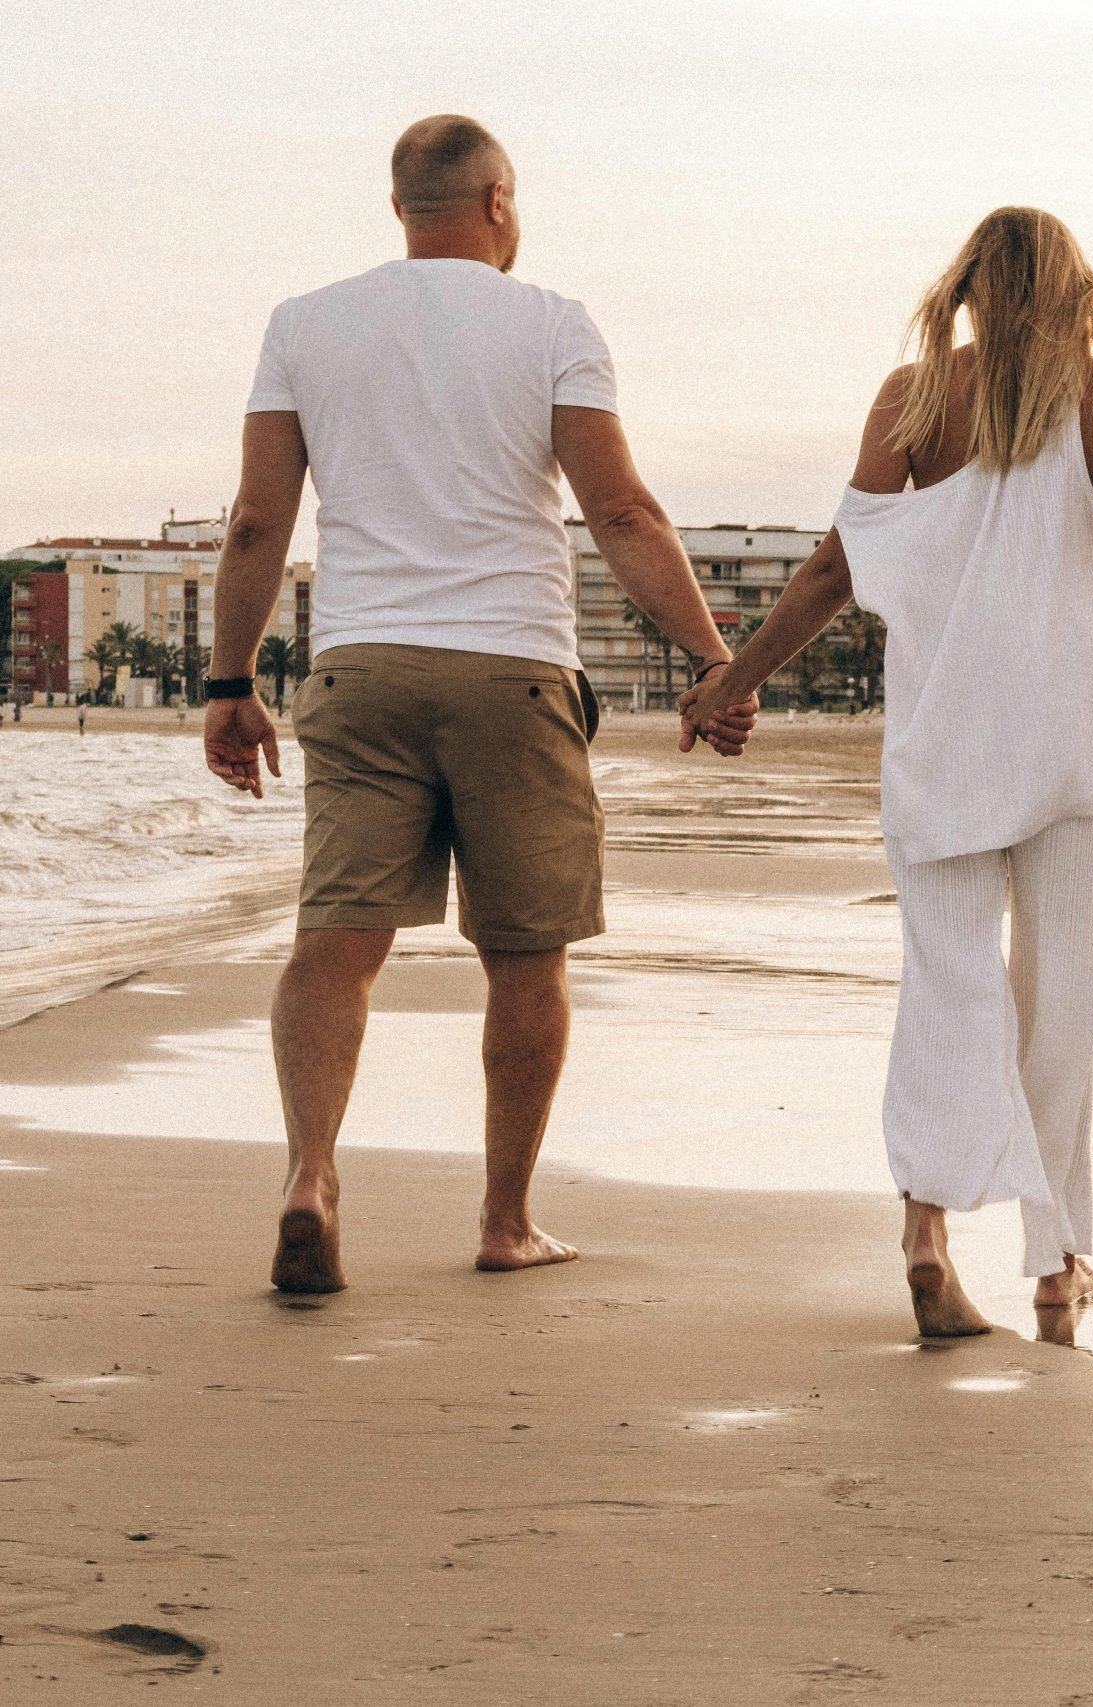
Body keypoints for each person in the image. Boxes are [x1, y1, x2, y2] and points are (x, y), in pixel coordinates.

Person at [683, 207, 1093, 1339]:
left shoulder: (912, 398)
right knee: (1059, 1001)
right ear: (1074, 290)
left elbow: (835, 568)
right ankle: (1055, 1264)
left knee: (948, 984)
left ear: (969, 289)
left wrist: (738, 677)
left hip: (941, 740)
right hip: (1067, 742)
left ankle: (926, 1232)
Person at [202, 116, 751, 1294]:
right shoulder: (550, 322)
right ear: (498, 201)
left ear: (401, 207)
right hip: (512, 673)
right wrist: (712, 660)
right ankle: (504, 1220)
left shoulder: (304, 324)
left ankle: (310, 1174)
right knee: (524, 953)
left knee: (335, 945)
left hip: (361, 668)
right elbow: (623, 517)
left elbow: (257, 521)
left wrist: (228, 683)